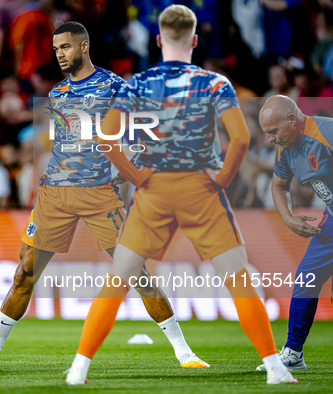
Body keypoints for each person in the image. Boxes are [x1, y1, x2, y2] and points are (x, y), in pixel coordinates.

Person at [65, 5, 297, 385]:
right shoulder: (215, 83)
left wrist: (137, 177)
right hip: (200, 188)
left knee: (118, 280)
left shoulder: (136, 84)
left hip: (153, 189)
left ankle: (79, 368)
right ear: (193, 40)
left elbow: (105, 137)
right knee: (239, 279)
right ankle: (274, 368)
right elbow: (240, 137)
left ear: (158, 40)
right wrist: (222, 179)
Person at [0, 21, 206, 370]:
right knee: (24, 273)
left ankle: (185, 353)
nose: (59, 54)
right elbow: (63, 143)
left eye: (65, 47)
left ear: (83, 46)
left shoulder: (114, 86)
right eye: (56, 49)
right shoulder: (57, 93)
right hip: (55, 195)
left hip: (100, 195)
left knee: (136, 272)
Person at [256, 95, 333, 371]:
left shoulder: (326, 132)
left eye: (273, 132)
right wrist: (287, 218)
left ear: (293, 119)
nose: (270, 140)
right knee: (307, 278)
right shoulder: (285, 149)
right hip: (331, 222)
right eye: (267, 134)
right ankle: (293, 353)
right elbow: (279, 187)